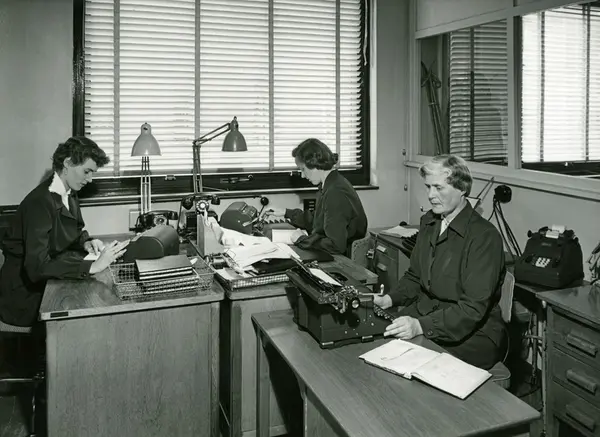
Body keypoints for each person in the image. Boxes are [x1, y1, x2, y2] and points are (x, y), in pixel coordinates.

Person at [373, 154, 505, 369]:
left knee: (409, 362)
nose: (431, 195)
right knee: (379, 343)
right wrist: (389, 299)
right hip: (429, 313)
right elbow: (415, 276)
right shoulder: (430, 222)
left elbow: (472, 309)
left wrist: (420, 326)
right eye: (428, 187)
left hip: (473, 332)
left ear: (462, 189)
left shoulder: (484, 237)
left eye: (438, 188)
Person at [0, 137, 129, 327]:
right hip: (24, 295)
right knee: (85, 310)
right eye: (86, 172)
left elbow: (74, 231)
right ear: (68, 163)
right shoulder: (40, 202)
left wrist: (87, 242)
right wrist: (91, 267)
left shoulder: (69, 193)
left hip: (44, 282)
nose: (90, 179)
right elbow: (36, 267)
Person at [266, 138, 368, 255]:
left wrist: (301, 240)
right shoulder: (330, 183)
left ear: (314, 164)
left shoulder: (335, 192)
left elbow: (335, 245)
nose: (303, 176)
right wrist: (286, 212)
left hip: (344, 259)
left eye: (303, 169)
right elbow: (318, 221)